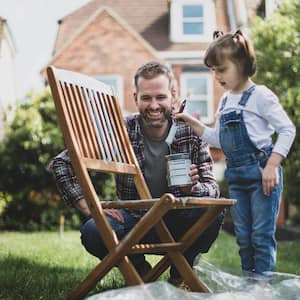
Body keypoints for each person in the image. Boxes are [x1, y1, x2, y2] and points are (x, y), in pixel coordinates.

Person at [49, 61, 223, 287]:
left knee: (213, 211)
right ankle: (139, 271)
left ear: (173, 95)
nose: (154, 105)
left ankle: (181, 271)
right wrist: (90, 208)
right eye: (146, 98)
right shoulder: (121, 130)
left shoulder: (191, 130)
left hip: (177, 219)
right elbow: (61, 164)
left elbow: (213, 188)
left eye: (160, 97)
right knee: (93, 231)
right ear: (135, 98)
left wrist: (193, 189)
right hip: (134, 220)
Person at [176, 30, 296, 279]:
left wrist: (272, 165)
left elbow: (287, 130)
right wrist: (190, 121)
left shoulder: (261, 96)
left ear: (241, 64)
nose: (216, 76)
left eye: (221, 69)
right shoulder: (225, 101)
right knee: (243, 236)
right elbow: (218, 139)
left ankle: (261, 287)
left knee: (261, 235)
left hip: (263, 173)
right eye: (214, 70)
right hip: (237, 176)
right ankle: (249, 283)